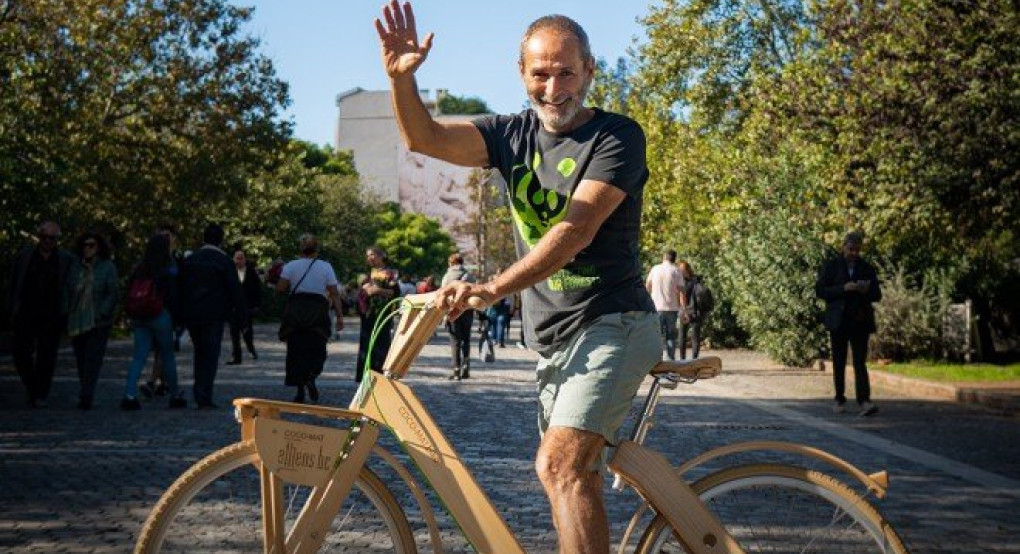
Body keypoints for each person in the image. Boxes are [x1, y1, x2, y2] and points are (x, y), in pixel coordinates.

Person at [375, 4, 660, 551]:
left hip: (613, 323)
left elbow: (574, 232)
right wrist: (402, 79)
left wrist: (490, 289)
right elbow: (424, 138)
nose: (553, 88)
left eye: (566, 72)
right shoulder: (508, 135)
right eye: (540, 73)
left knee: (559, 465)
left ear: (590, 70)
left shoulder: (617, 136)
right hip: (552, 339)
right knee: (572, 479)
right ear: (521, 72)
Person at [8, 221, 76, 408]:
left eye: (51, 238)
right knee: (20, 353)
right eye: (44, 237)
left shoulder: (65, 259)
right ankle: (32, 385)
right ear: (39, 237)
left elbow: (71, 285)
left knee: (47, 356)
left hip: (52, 314)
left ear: (57, 240)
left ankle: (40, 393)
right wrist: (11, 308)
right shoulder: (25, 256)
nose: (47, 241)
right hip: (26, 311)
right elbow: (14, 282)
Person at [177, 223, 245, 409]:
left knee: (199, 351)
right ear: (221, 240)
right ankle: (204, 394)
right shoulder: (224, 261)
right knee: (210, 354)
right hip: (214, 314)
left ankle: (199, 391)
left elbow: (181, 287)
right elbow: (235, 290)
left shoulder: (191, 259)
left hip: (193, 313)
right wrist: (240, 314)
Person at [816, 231, 883, 417]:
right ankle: (839, 399)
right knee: (838, 361)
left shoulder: (866, 268)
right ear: (843, 247)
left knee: (860, 362)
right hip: (838, 320)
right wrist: (842, 288)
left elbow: (877, 295)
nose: (854, 253)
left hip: (859, 321)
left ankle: (864, 400)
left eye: (857, 250)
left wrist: (864, 290)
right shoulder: (832, 266)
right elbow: (820, 291)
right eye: (851, 249)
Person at [276, 234, 344, 403]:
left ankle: (300, 390)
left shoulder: (291, 266)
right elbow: (334, 293)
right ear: (316, 250)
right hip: (317, 312)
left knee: (296, 351)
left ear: (300, 249)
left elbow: (281, 289)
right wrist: (339, 316)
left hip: (296, 311)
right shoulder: (325, 267)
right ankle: (311, 376)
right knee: (318, 349)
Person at [122, 233, 187, 410]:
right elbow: (173, 294)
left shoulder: (140, 268)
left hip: (140, 315)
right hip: (160, 314)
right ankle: (174, 394)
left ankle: (129, 395)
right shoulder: (168, 267)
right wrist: (178, 318)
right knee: (167, 356)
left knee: (139, 356)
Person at [66, 232, 119, 410]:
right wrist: (66, 309)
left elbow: (112, 292)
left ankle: (86, 394)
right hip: (77, 319)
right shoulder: (75, 267)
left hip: (98, 322)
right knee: (81, 359)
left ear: (99, 247)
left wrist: (102, 312)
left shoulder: (107, 267)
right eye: (85, 245)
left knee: (93, 359)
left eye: (92, 245)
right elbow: (67, 289)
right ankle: (85, 389)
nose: (88, 249)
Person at [355, 245, 400, 382]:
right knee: (366, 344)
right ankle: (365, 376)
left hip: (384, 314)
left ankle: (381, 375)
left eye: (372, 254)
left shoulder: (391, 273)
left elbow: (394, 292)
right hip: (368, 314)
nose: (369, 258)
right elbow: (366, 292)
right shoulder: (365, 274)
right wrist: (379, 291)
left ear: (381, 256)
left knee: (382, 343)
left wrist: (378, 290)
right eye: (368, 255)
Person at [645, 249, 686, 360]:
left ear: (664, 257)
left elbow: (647, 286)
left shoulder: (655, 269)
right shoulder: (676, 271)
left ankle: (655, 359)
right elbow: (682, 291)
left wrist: (647, 303)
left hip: (656, 307)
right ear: (674, 259)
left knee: (656, 335)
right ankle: (671, 360)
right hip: (672, 308)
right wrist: (683, 309)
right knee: (671, 336)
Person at [441, 253, 475, 380]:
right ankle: (466, 368)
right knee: (466, 339)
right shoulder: (469, 275)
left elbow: (442, 294)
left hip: (452, 310)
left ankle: (456, 370)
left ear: (451, 263)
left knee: (455, 341)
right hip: (467, 310)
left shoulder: (447, 276)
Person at [226, 248, 262, 365]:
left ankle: (251, 349)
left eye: (241, 258)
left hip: (248, 306)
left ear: (245, 260)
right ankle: (236, 356)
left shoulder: (251, 272)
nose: (239, 261)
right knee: (234, 333)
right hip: (233, 307)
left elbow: (257, 289)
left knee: (247, 331)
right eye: (237, 258)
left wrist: (257, 305)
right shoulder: (230, 271)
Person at [677, 260, 704, 359]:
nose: (681, 271)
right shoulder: (682, 281)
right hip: (685, 311)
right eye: (679, 269)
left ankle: (694, 358)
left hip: (695, 311)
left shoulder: (695, 281)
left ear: (687, 269)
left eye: (682, 269)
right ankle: (683, 358)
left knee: (695, 336)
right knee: (682, 336)